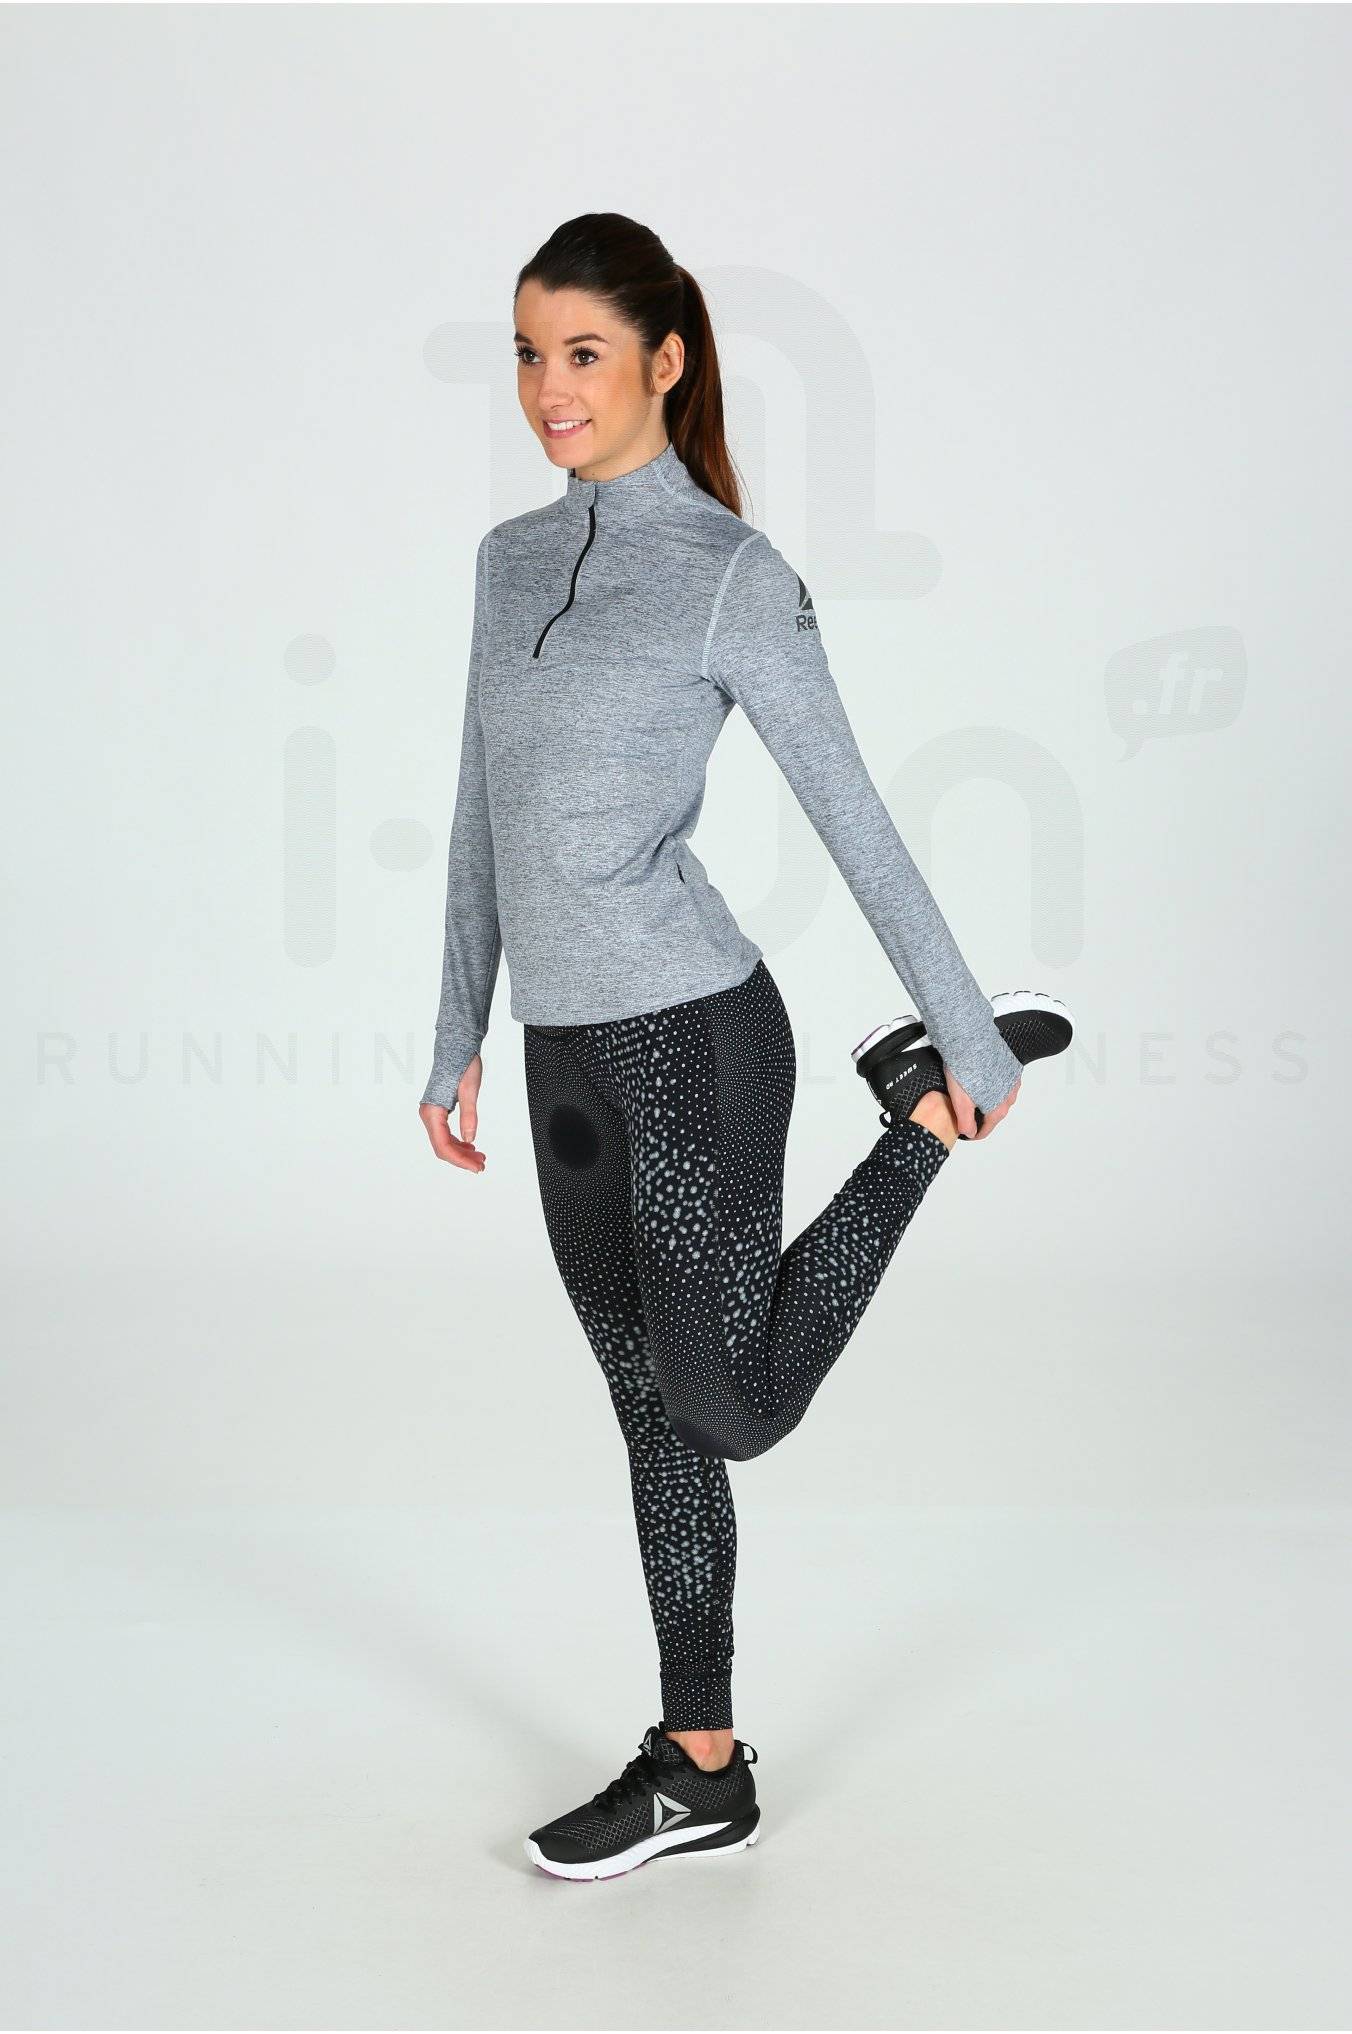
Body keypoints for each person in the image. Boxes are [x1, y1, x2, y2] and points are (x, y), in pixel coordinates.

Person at [417, 213, 1073, 1883]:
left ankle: (915, 1122)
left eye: (582, 353)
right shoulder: (505, 562)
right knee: (651, 1409)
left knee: (733, 1404)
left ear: (666, 360)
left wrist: (970, 1028)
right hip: (565, 1059)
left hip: (695, 1038)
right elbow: (481, 809)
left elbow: (852, 811)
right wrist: (456, 1030)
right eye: (527, 353)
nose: (548, 388)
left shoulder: (730, 575)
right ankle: (698, 1766)